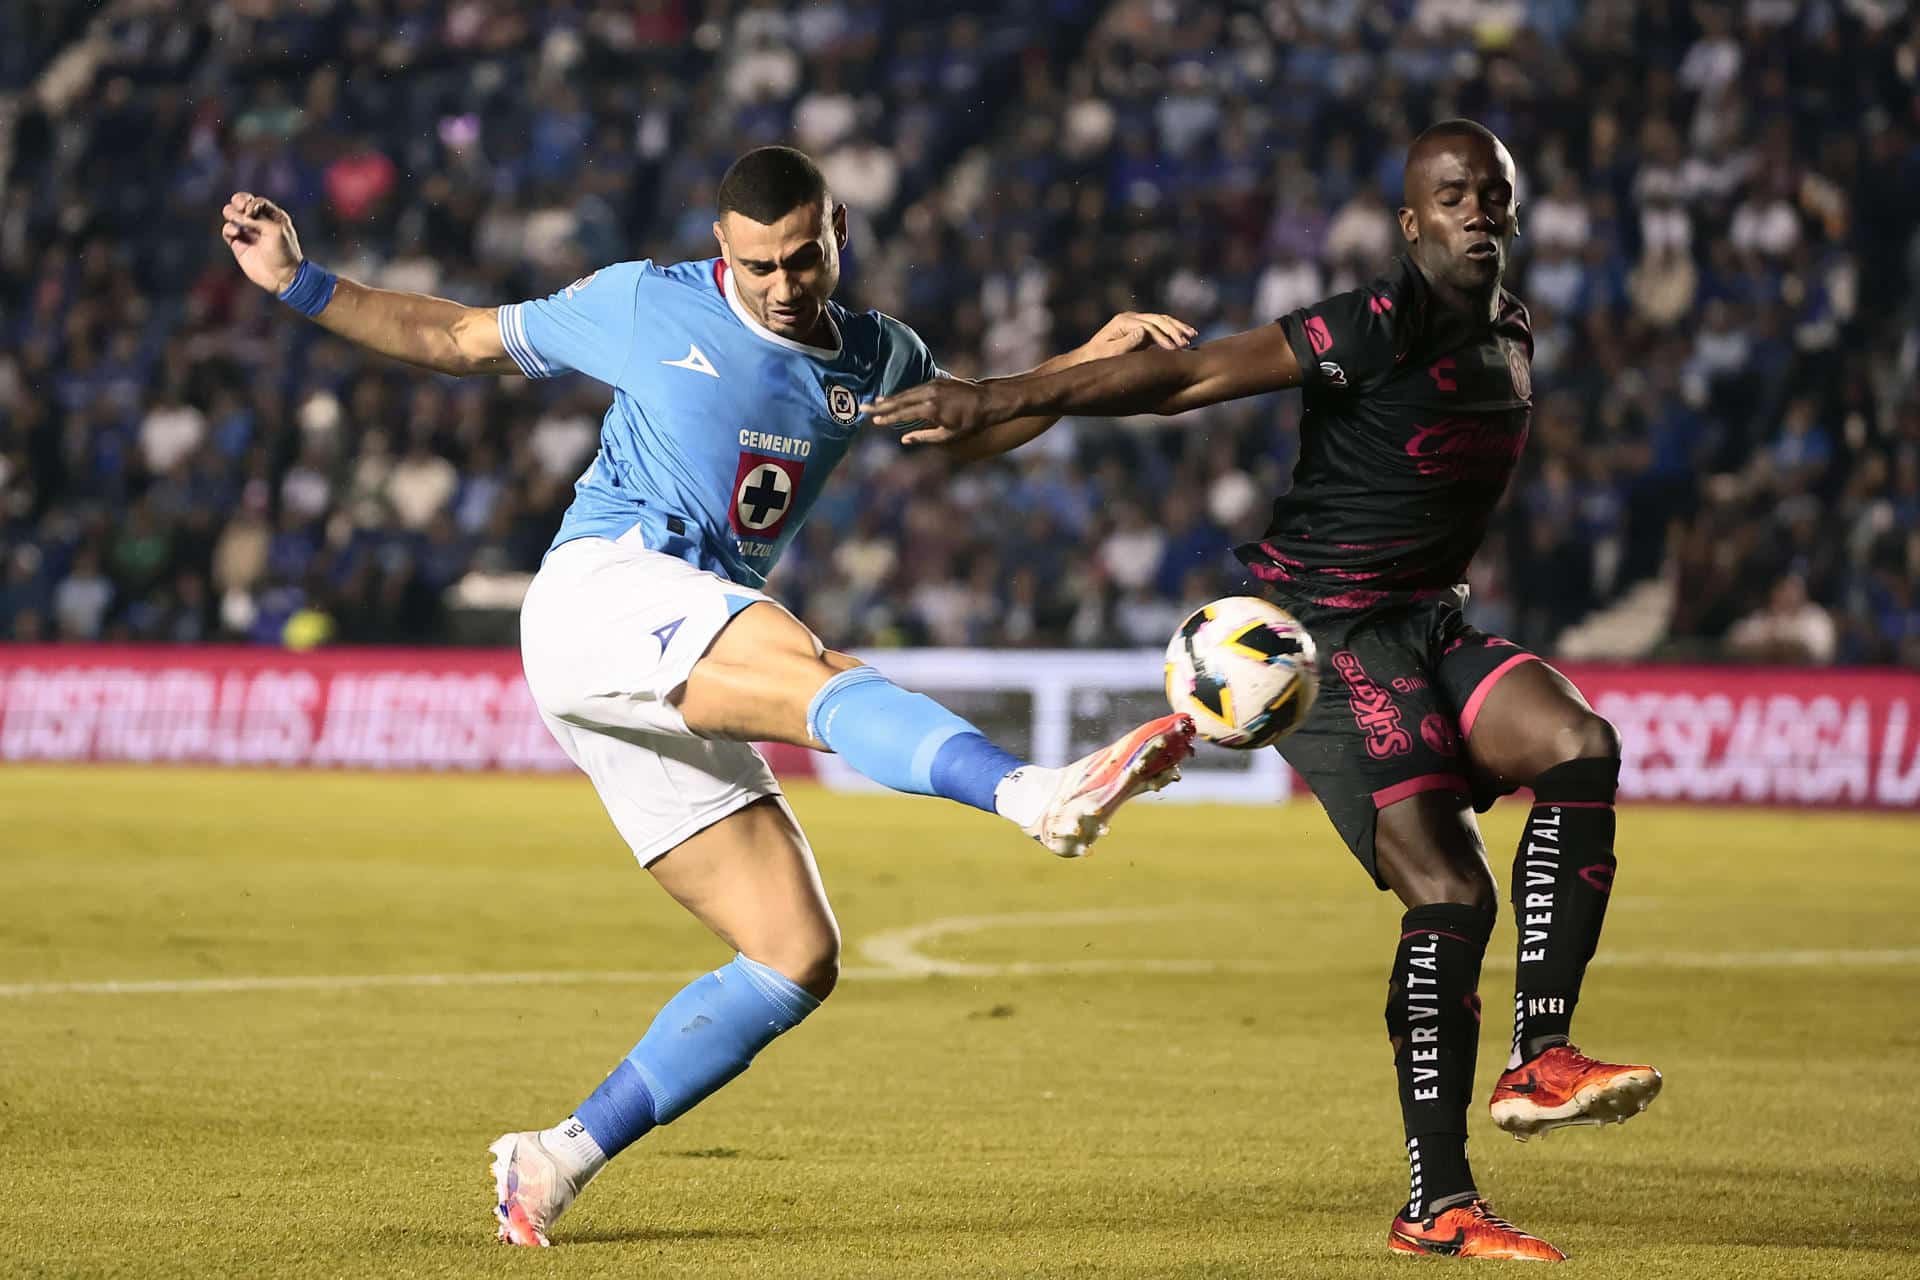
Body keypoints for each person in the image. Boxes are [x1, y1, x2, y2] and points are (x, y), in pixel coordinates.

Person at [220, 146, 1198, 1248]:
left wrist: (1080, 364)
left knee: (792, 952)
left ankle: (553, 1155)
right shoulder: (643, 301)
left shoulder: (878, 352)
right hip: (606, 591)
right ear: (721, 247)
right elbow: (457, 335)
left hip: (669, 646)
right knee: (806, 664)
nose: (786, 284)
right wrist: (298, 281)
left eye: (805, 259)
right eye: (761, 263)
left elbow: (970, 428)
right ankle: (1032, 792)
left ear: (838, 233)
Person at [869, 120, 1660, 1263]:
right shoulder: (1376, 322)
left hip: (1426, 616)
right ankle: (1436, 1200)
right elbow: (1189, 374)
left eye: (1493, 192)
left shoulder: (1514, 329)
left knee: (1580, 744)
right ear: (1411, 223)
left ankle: (1542, 1052)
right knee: (1450, 890)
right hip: (1331, 638)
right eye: (1452, 197)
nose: (1477, 210)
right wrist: (997, 397)